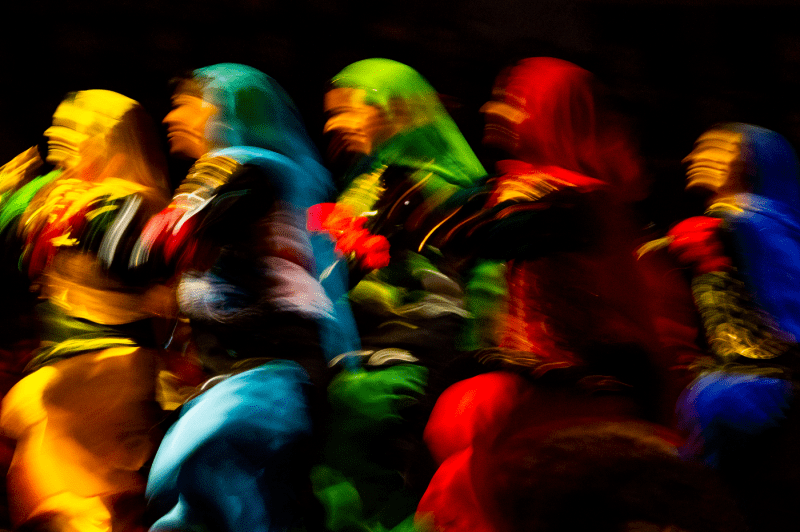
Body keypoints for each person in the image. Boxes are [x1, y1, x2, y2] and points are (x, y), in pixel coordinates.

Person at [415, 57, 693, 532]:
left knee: (484, 424)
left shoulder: (584, 200)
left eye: (515, 102)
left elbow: (512, 234)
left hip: (586, 383)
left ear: (553, 113)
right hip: (531, 377)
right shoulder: (513, 189)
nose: (493, 109)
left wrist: (442, 220)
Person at [143, 63, 355, 532]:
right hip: (252, 374)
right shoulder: (235, 172)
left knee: (196, 479)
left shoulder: (246, 168)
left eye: (186, 102)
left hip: (268, 372)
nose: (171, 115)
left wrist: (76, 215)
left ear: (222, 109)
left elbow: (159, 245)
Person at [310, 58, 493, 532]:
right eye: (332, 113)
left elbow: (456, 294)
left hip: (407, 372)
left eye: (351, 110)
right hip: (357, 366)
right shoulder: (371, 183)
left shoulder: (441, 191)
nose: (336, 124)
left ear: (400, 111)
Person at [0, 89, 174, 532]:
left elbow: (127, 261)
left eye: (72, 127)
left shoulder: (127, 201)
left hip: (107, 359)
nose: (56, 135)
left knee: (74, 480)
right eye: (55, 124)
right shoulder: (65, 193)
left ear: (105, 138)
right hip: (66, 363)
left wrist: (37, 206)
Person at [667, 123, 800, 531]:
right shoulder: (732, 223)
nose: (693, 159)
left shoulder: (747, 221)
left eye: (716, 150)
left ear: (751, 162)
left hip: (758, 389)